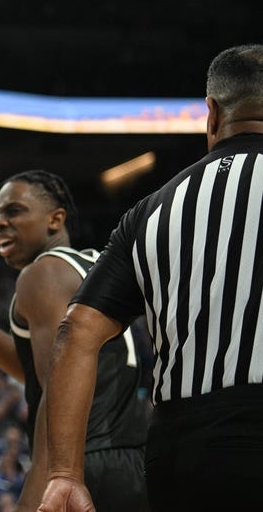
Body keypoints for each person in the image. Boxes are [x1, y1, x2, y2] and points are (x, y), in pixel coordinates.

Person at [37, 44, 263, 512]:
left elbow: (76, 331)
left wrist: (65, 473)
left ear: (213, 114)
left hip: (189, 452)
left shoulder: (154, 210)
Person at [0, 171, 149, 512]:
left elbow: (56, 388)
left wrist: (38, 489)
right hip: (132, 460)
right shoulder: (94, 265)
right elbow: (37, 370)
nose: (0, 222)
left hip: (82, 464)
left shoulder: (43, 273)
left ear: (55, 219)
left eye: (13, 211)